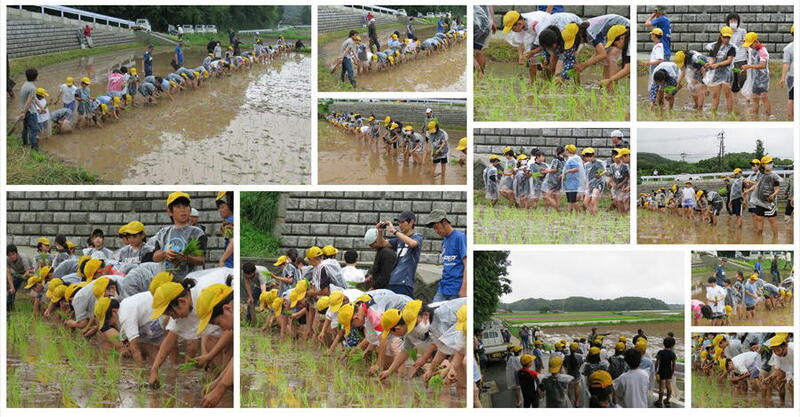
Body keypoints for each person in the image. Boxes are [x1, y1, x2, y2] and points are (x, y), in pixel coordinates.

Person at [145, 191, 206, 279]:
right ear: (170, 211)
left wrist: (186, 258)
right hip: (167, 281)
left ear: (190, 209)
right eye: (178, 207)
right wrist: (165, 254)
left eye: (185, 206)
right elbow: (155, 257)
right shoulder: (163, 233)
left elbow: (201, 260)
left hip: (190, 282)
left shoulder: (197, 233)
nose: (183, 209)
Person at [373, 211, 422, 297]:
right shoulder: (399, 239)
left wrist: (395, 232)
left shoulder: (417, 236)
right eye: (399, 222)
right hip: (393, 281)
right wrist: (380, 231)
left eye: (402, 222)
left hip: (405, 282)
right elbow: (381, 244)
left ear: (411, 222)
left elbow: (413, 244)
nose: (400, 225)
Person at [426, 210, 466, 301]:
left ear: (444, 222)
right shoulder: (445, 240)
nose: (436, 231)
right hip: (443, 287)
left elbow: (468, 264)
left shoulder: (459, 237)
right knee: (434, 311)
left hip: (456, 289)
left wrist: (464, 288)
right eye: (434, 228)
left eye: (436, 227)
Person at [742, 32, 773, 119]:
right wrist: (746, 68)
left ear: (756, 42)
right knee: (755, 98)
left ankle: (768, 116)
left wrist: (749, 66)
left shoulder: (763, 51)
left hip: (763, 78)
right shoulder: (752, 50)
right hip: (754, 78)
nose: (749, 46)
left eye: (751, 44)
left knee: (764, 96)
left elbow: (762, 65)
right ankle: (755, 118)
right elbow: (751, 63)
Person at [17, 68, 40, 150]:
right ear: (35, 77)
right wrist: (24, 112)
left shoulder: (25, 84)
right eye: (37, 75)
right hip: (30, 111)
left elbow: (33, 98)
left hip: (24, 109)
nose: (38, 76)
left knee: (25, 128)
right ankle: (34, 149)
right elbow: (29, 102)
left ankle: (25, 143)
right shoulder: (32, 88)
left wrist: (41, 107)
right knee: (34, 130)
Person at [655, 336, 677, 407]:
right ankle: (667, 400)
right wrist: (672, 373)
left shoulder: (660, 352)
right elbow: (673, 365)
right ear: (672, 345)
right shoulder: (672, 354)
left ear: (663, 343)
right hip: (669, 372)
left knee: (661, 387)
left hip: (661, 371)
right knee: (668, 387)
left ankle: (659, 401)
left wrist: (656, 370)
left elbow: (657, 362)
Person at [779, 25, 794, 120]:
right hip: (793, 77)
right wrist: (782, 78)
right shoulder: (789, 48)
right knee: (792, 99)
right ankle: (791, 119)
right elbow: (786, 64)